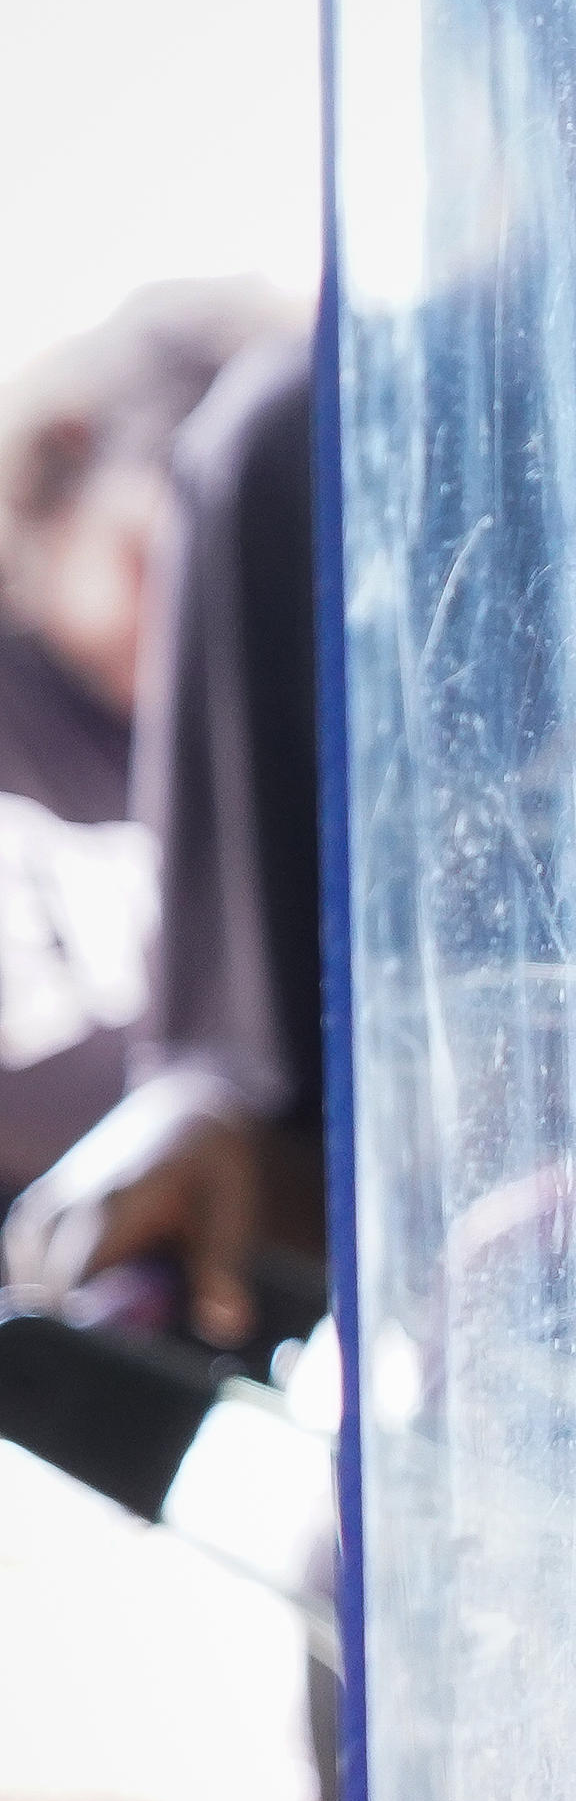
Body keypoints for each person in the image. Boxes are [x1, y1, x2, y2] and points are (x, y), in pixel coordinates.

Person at [0, 288, 278, 1217]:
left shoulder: (245, 760)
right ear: (63, 458)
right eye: (151, 561)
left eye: (215, 592)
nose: (176, 638)